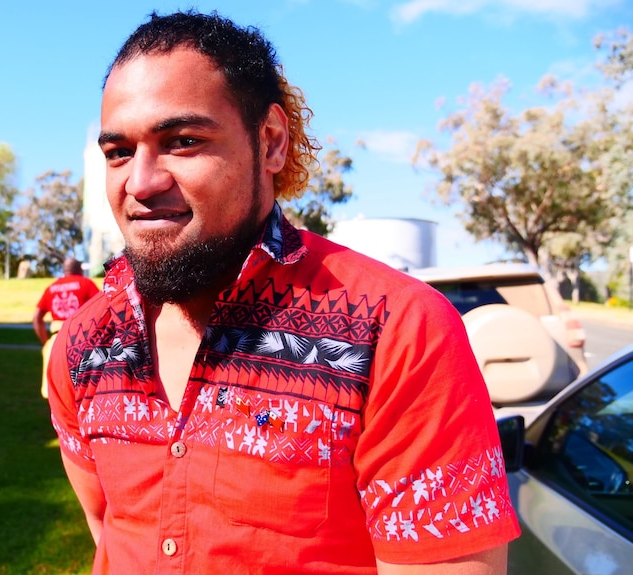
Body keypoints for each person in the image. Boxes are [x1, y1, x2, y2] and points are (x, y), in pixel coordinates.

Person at [47, 11, 520, 574]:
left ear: (270, 142)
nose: (142, 182)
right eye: (118, 152)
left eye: (183, 141)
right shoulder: (83, 345)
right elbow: (110, 529)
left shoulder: (397, 332)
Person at [33, 257, 100, 398]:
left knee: (56, 392)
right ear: (80, 270)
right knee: (84, 390)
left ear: (64, 270)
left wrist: (46, 342)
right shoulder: (86, 283)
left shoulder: (52, 287)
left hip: (55, 340)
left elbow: (36, 318)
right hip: (82, 341)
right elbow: (102, 307)